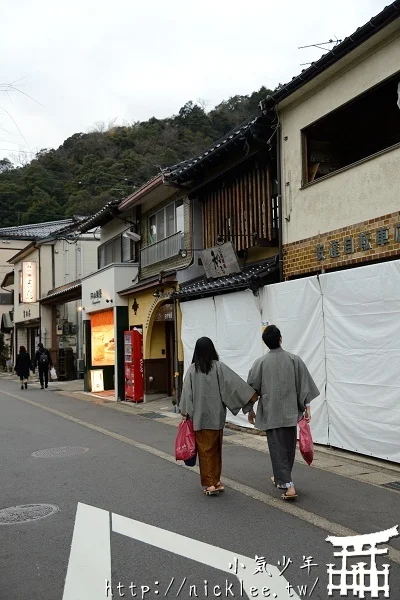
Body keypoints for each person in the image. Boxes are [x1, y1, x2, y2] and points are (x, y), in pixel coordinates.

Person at [243, 325, 320, 501]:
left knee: (277, 449)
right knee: (288, 448)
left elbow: (252, 389)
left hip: (271, 412)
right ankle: (282, 478)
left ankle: (288, 485)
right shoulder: (294, 360)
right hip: (291, 411)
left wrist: (250, 410)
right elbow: (303, 386)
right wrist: (307, 407)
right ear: (280, 338)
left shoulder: (260, 363)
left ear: (266, 342)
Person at [180, 337, 258, 496]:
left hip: (200, 418)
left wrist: (185, 413)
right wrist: (250, 399)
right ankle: (216, 481)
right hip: (217, 417)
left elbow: (187, 394)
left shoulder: (192, 370)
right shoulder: (219, 367)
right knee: (216, 450)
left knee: (204, 451)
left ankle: (210, 484)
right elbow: (234, 385)